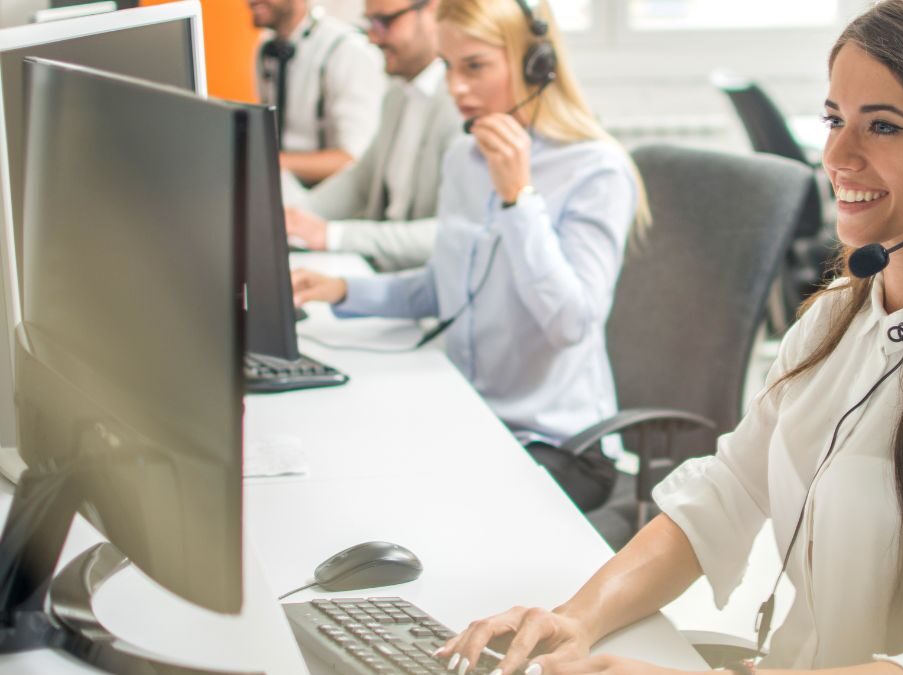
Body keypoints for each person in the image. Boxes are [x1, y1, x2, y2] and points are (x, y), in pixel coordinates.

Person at [432, 1, 903, 674]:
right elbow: (725, 493)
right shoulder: (835, 318)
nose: (837, 156)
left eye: (884, 126)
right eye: (835, 119)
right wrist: (572, 619)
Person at [292, 0, 650, 510]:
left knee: (411, 505)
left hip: (557, 446)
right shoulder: (463, 157)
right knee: (341, 458)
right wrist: (346, 289)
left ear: (536, 66)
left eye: (475, 66)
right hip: (470, 413)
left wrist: (517, 199)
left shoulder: (596, 170)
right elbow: (446, 285)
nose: (456, 89)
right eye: (448, 67)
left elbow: (571, 323)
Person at [283, 0, 464, 272]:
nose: (372, 36)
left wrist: (333, 236)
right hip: (381, 272)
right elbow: (359, 181)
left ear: (432, 11)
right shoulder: (397, 94)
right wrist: (294, 217)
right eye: (370, 22)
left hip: (419, 286)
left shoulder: (463, 106)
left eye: (385, 22)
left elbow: (450, 235)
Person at [251, 0, 386, 185]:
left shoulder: (346, 50)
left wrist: (267, 163)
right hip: (284, 189)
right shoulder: (266, 49)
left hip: (328, 200)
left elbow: (353, 159)